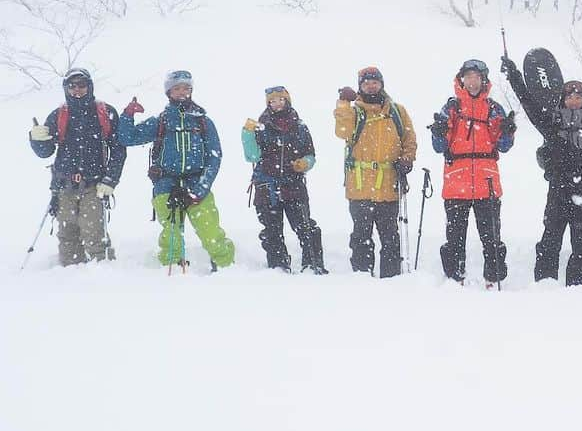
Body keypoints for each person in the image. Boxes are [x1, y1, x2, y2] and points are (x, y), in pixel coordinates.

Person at [501, 52, 582, 285]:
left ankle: (576, 292)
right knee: (549, 244)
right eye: (570, 96)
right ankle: (544, 287)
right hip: (559, 191)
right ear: (562, 99)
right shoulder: (551, 122)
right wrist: (514, 76)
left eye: (579, 96)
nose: (574, 100)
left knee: (581, 247)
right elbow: (528, 102)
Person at [119, 70, 235, 271]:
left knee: (210, 230)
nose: (182, 92)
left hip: (196, 183)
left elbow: (214, 157)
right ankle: (171, 267)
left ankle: (226, 266)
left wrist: (199, 190)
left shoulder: (203, 122)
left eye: (186, 88)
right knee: (171, 232)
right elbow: (127, 137)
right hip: (166, 184)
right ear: (169, 92)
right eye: (177, 88)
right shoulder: (162, 121)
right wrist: (128, 115)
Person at [28, 67, 127, 265]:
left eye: (82, 85)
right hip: (64, 185)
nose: (77, 90)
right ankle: (69, 276)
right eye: (72, 86)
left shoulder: (105, 112)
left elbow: (118, 150)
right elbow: (45, 152)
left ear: (89, 86)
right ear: (66, 88)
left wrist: (110, 180)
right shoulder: (59, 114)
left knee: (94, 234)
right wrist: (36, 139)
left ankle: (104, 274)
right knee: (67, 236)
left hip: (95, 185)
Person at [430, 59, 515, 286]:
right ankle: (454, 279)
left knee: (492, 238)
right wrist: (438, 132)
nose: (473, 81)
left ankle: (493, 279)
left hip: (487, 183)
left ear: (483, 79)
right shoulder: (451, 108)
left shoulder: (494, 109)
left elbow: (504, 146)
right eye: (468, 76)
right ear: (462, 79)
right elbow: (438, 147)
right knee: (455, 238)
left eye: (477, 77)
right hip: (456, 183)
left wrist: (508, 131)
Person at [334, 67, 417, 277]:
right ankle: (362, 278)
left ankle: (391, 279)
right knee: (361, 237)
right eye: (366, 83)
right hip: (360, 188)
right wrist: (343, 103)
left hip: (389, 186)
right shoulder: (354, 112)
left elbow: (410, 140)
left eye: (375, 82)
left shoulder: (397, 112)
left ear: (381, 84)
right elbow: (341, 131)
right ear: (360, 87)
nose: (371, 86)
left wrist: (407, 159)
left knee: (390, 237)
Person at [242, 85, 327, 274]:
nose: (277, 104)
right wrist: (247, 134)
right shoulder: (260, 127)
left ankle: (313, 264)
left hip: (294, 185)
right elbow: (252, 156)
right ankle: (278, 266)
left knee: (304, 226)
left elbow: (311, 155)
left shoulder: (300, 127)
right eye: (272, 101)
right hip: (266, 186)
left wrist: (304, 163)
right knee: (272, 231)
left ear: (287, 100)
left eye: (280, 99)